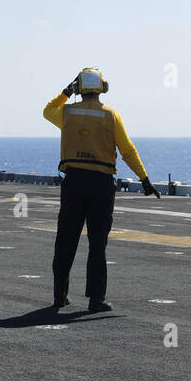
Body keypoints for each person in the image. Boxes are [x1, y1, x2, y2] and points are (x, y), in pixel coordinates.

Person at [43, 67, 159, 312]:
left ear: (80, 88)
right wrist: (145, 180)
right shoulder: (110, 116)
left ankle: (59, 296)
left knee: (66, 240)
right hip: (101, 185)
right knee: (97, 243)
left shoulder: (67, 113)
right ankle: (96, 299)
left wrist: (66, 92)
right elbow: (127, 151)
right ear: (102, 88)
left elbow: (46, 112)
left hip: (73, 182)